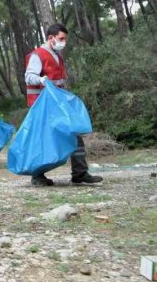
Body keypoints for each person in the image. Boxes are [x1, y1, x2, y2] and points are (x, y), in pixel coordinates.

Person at [24, 23, 103, 187]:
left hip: (56, 105)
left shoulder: (57, 56)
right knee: (44, 140)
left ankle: (80, 174)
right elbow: (29, 76)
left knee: (73, 134)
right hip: (42, 107)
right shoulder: (38, 55)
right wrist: (41, 79)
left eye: (65, 39)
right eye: (61, 38)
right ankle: (37, 176)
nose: (63, 42)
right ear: (51, 38)